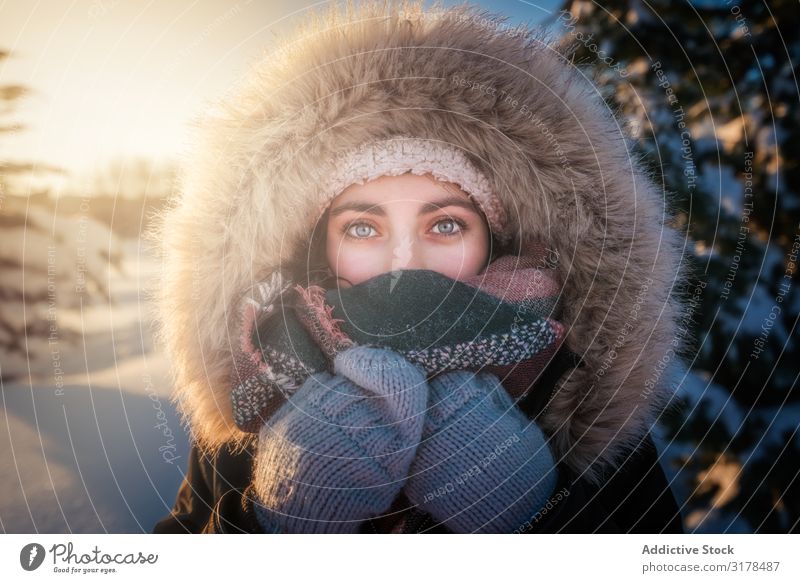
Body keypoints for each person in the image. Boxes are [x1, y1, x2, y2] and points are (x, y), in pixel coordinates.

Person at [149, 0, 688, 534]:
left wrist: (538, 517)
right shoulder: (259, 389)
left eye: (446, 225)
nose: (403, 264)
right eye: (363, 228)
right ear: (320, 250)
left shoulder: (574, 403)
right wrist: (273, 522)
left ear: (496, 242)